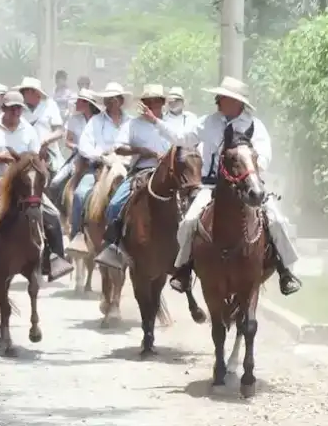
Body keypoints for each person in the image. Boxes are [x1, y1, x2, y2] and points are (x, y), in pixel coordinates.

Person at [146, 76, 302, 296]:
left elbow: (264, 156)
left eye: (222, 97)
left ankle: (285, 271)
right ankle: (184, 270)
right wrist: (156, 122)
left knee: (276, 220)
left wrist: (249, 168)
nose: (217, 100)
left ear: (236, 102)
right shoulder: (209, 121)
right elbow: (183, 138)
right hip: (211, 186)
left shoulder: (255, 126)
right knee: (189, 221)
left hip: (248, 187)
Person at [0, 91, 74, 281]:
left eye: (19, 109)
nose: (16, 113)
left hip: (23, 184)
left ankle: (55, 258)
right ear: (3, 109)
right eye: (12, 108)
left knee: (52, 214)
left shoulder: (28, 130)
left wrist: (37, 165)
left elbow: (36, 158)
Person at [94, 84, 173, 269]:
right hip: (142, 170)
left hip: (169, 175)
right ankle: (113, 246)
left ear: (162, 103)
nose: (151, 105)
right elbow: (119, 147)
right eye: (147, 101)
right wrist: (142, 151)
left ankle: (188, 255)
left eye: (156, 101)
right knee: (114, 205)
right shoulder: (132, 125)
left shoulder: (170, 125)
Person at [68, 82, 131, 253]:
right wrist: (101, 155)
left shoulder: (131, 122)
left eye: (114, 99)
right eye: (107, 99)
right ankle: (78, 234)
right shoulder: (96, 121)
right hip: (99, 167)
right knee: (81, 194)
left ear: (121, 101)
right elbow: (84, 145)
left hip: (125, 168)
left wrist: (125, 157)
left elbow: (136, 144)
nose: (110, 102)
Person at [46, 88, 102, 198]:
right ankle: (58, 211)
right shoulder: (74, 119)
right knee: (55, 183)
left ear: (86, 103)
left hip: (98, 157)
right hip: (78, 156)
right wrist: (78, 147)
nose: (76, 103)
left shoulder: (100, 120)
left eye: (79, 101)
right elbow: (68, 141)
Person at [15, 76, 66, 178]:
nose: (39, 97)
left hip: (48, 152)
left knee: (57, 183)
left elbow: (60, 131)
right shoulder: (17, 108)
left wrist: (46, 141)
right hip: (24, 153)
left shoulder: (50, 105)